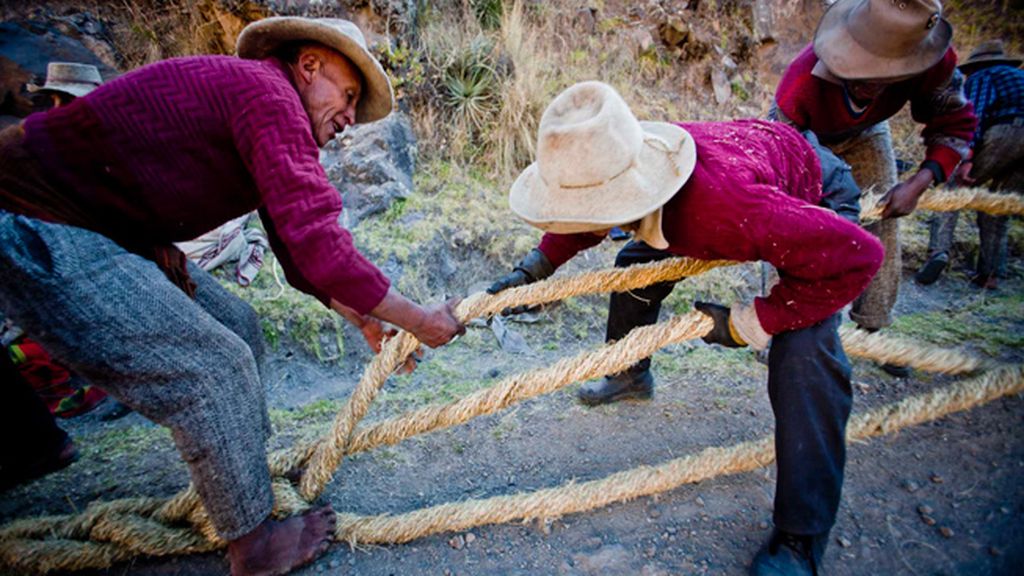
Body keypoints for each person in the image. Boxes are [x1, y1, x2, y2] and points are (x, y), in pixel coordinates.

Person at [0, 16, 464, 576]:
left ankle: (244, 484)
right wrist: (417, 318)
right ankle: (255, 546)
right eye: (346, 95)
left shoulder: (262, 104)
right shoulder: (268, 95)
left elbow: (298, 250)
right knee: (215, 367)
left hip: (105, 230)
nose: (348, 117)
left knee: (238, 327)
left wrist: (363, 315)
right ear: (308, 65)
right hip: (33, 222)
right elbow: (320, 243)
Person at [489, 81, 884, 575]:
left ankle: (802, 538)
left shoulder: (728, 212)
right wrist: (535, 268)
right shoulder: (619, 163)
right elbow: (586, 208)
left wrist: (752, 323)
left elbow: (859, 255)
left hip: (813, 190)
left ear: (631, 194)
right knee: (635, 268)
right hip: (742, 171)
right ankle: (630, 372)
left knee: (805, 350)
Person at [771, 0, 977, 377]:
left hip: (868, 134)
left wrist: (920, 181)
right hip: (801, 138)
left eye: (885, 75)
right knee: (790, 228)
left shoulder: (935, 62)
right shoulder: (802, 81)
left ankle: (874, 329)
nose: (872, 84)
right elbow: (779, 146)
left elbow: (955, 123)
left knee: (883, 223)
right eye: (863, 73)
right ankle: (779, 328)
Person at [917, 39, 1024, 288]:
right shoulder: (1017, 78)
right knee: (998, 204)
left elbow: (974, 116)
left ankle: (938, 253)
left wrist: (967, 157)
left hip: (1005, 132)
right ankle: (991, 274)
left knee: (952, 187)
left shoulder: (983, 76)